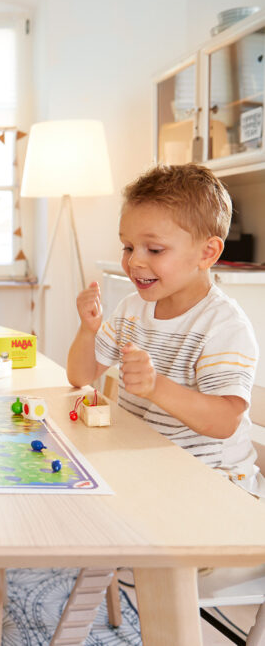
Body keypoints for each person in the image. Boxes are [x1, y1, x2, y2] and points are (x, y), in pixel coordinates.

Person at [67, 163, 262, 498]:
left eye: (154, 249)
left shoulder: (223, 326)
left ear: (207, 253)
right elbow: (80, 376)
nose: (135, 262)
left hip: (215, 485)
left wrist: (156, 386)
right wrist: (88, 330)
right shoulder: (132, 309)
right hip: (151, 469)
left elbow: (225, 421)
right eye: (128, 247)